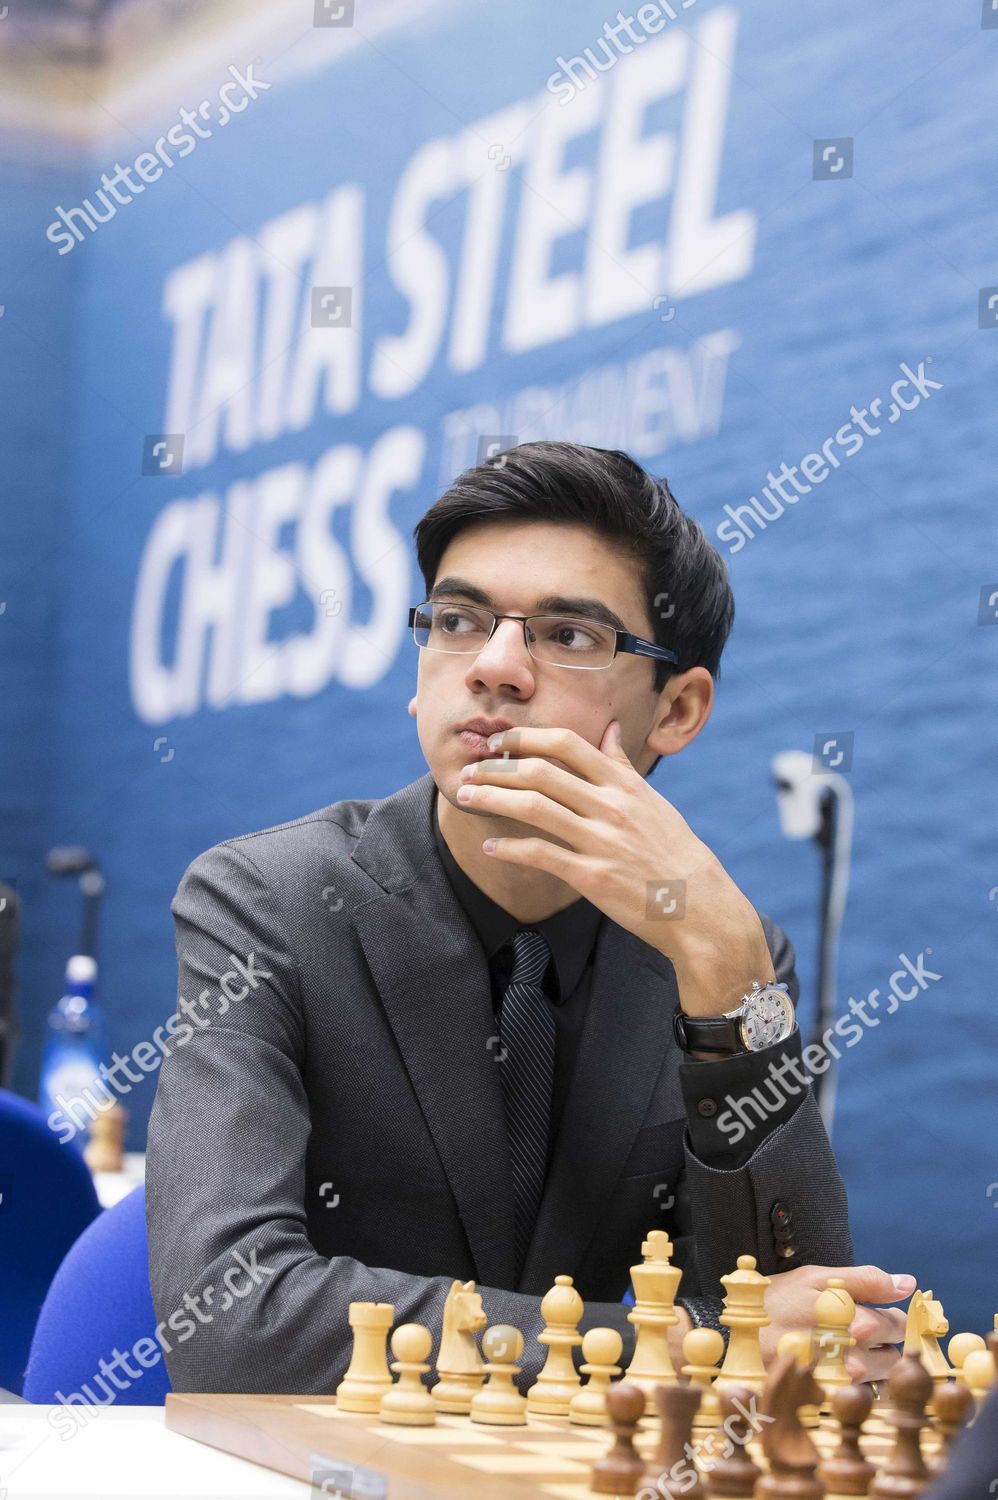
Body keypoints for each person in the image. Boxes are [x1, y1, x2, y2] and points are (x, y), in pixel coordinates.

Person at [146, 441, 912, 1394]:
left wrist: (735, 986)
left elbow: (805, 1316)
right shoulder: (270, 904)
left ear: (676, 710)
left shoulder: (716, 946)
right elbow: (229, 1321)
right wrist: (681, 1347)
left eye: (569, 636)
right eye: (459, 621)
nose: (496, 669)